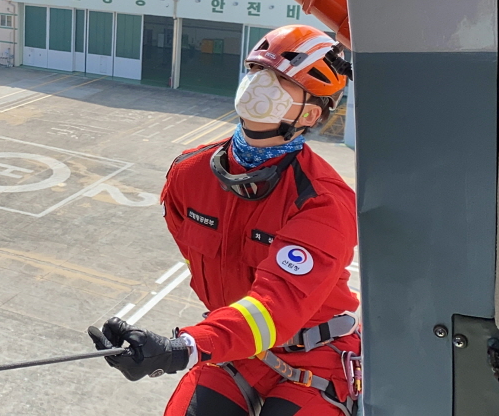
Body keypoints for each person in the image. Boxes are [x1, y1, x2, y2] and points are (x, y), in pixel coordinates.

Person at [90, 25, 361, 416]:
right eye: (256, 71)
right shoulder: (189, 173)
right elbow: (197, 259)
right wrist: (193, 343)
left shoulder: (323, 201)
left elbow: (277, 306)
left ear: (311, 113)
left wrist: (182, 348)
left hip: (316, 355)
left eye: (281, 82)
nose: (258, 86)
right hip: (233, 348)